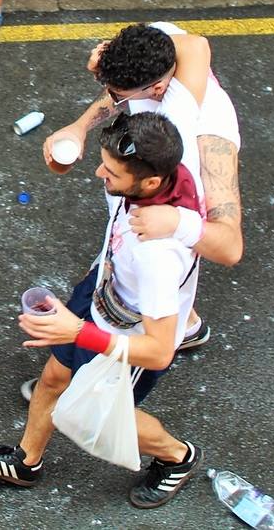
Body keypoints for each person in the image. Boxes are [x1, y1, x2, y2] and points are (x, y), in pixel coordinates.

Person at [0, 112, 205, 510]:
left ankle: (177, 456)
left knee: (99, 417)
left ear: (151, 182)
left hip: (127, 334)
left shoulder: (158, 258)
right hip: (102, 295)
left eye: (110, 171)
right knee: (55, 378)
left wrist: (76, 332)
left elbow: (158, 351)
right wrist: (76, 132)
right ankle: (27, 462)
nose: (97, 174)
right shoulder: (164, 174)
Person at [44, 21, 243, 347]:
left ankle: (171, 330)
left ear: (157, 88)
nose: (109, 96)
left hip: (163, 226)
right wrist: (79, 127)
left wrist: (177, 222)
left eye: (116, 93)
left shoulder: (209, 138)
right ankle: (188, 325)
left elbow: (230, 246)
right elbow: (185, 49)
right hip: (134, 199)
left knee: (153, 279)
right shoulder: (154, 46)